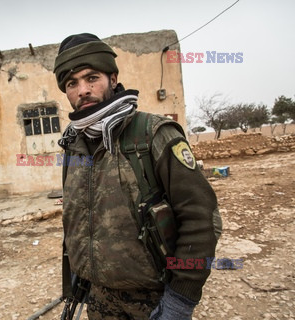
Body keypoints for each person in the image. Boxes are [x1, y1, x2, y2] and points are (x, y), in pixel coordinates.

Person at [54, 33, 222, 320]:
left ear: (113, 78)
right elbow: (77, 221)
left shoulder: (153, 134)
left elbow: (202, 218)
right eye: (72, 83)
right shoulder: (73, 146)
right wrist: (78, 276)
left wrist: (180, 300)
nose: (82, 90)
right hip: (99, 299)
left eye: (91, 78)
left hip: (154, 299)